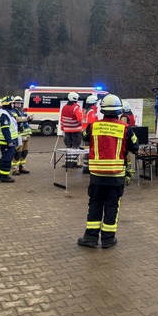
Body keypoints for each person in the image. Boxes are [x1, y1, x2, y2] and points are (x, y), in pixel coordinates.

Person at [77, 94, 139, 249]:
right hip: (116, 175)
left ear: (102, 110)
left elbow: (84, 136)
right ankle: (108, 240)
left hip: (97, 176)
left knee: (95, 204)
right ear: (119, 111)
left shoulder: (93, 126)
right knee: (112, 206)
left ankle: (90, 238)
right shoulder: (126, 128)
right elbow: (135, 146)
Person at [0, 96, 18, 183]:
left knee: (4, 158)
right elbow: (5, 129)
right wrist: (9, 141)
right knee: (7, 158)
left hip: (6, 140)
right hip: (6, 141)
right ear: (7, 104)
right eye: (12, 103)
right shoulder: (4, 114)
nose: (13, 105)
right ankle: (4, 176)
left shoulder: (5, 112)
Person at [59, 92, 83, 168]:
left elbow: (62, 119)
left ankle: (67, 163)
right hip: (75, 130)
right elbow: (80, 119)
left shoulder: (64, 107)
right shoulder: (76, 108)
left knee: (68, 146)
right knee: (75, 147)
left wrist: (62, 128)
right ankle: (73, 163)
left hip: (67, 130)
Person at [11, 96, 33, 175]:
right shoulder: (13, 111)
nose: (19, 105)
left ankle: (22, 167)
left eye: (20, 103)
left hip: (26, 135)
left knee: (25, 152)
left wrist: (29, 119)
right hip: (19, 135)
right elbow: (16, 119)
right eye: (17, 103)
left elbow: (24, 121)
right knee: (18, 152)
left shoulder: (22, 111)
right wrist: (26, 118)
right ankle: (14, 169)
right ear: (14, 104)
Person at [81, 95, 99, 173]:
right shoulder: (91, 111)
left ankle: (86, 167)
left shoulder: (85, 110)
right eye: (95, 103)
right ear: (93, 103)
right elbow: (92, 124)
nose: (96, 105)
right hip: (90, 133)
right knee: (89, 150)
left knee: (87, 150)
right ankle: (86, 168)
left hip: (85, 132)